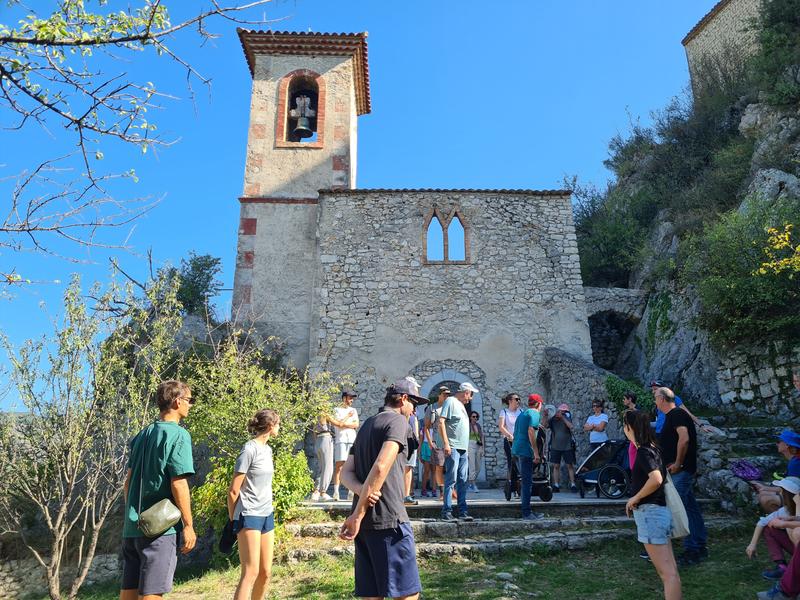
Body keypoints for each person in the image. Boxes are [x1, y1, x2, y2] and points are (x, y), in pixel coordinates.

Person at [339, 378, 424, 600]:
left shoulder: (367, 424)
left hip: (366, 526)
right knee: (407, 594)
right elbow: (381, 465)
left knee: (372, 595)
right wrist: (357, 514)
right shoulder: (397, 422)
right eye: (414, 403)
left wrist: (361, 495)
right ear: (403, 399)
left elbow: (345, 473)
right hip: (389, 520)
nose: (414, 409)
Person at [120, 380, 196, 600]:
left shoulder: (141, 435)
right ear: (177, 401)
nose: (190, 405)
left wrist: (133, 514)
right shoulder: (179, 435)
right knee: (152, 594)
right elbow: (178, 483)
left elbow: (128, 482)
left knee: (129, 594)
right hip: (159, 530)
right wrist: (188, 525)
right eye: (189, 400)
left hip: (132, 528)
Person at [623, 410, 681, 600]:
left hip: (650, 513)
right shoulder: (654, 449)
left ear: (630, 427)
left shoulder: (644, 451)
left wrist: (635, 498)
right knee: (671, 571)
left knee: (667, 575)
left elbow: (656, 479)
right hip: (659, 512)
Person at [228, 409, 280, 600]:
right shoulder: (249, 449)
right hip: (248, 514)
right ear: (270, 426)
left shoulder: (268, 450)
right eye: (278, 424)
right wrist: (234, 520)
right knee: (250, 572)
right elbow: (233, 490)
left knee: (265, 572)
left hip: (267, 513)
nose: (279, 428)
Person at [655, 386, 708, 567]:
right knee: (691, 509)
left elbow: (684, 439)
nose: (655, 402)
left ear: (662, 399)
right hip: (681, 470)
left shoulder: (676, 414)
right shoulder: (673, 416)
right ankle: (699, 545)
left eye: (656, 398)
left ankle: (692, 549)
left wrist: (677, 463)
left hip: (681, 470)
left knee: (682, 510)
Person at [437, 382, 479, 522]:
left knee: (462, 480)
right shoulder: (450, 401)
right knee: (451, 479)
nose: (470, 398)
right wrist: (446, 444)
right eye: (471, 394)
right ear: (466, 392)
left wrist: (466, 449)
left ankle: (463, 511)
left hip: (462, 449)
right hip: (453, 447)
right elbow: (441, 422)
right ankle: (447, 511)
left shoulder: (461, 405)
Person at [746, 477, 800, 581]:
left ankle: (794, 569)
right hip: (796, 547)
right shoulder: (785, 511)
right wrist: (752, 544)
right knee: (769, 528)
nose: (780, 494)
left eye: (782, 491)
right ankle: (782, 566)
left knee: (789, 528)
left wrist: (784, 524)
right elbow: (762, 522)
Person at [311, 408, 357, 502]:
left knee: (321, 467)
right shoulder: (326, 414)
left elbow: (314, 432)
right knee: (328, 467)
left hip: (318, 440)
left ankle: (316, 491)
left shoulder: (316, 417)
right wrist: (348, 416)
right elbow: (339, 424)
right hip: (326, 438)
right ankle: (322, 492)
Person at [511, 393, 545, 521]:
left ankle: (527, 511)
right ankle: (526, 513)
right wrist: (536, 453)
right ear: (538, 404)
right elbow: (531, 431)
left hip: (517, 449)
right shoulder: (534, 413)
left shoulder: (522, 414)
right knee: (527, 483)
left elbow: (516, 431)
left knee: (525, 481)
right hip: (525, 451)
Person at [752, 430, 800, 513]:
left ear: (787, 445)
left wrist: (766, 488)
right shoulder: (795, 460)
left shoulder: (796, 463)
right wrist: (765, 488)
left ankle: (787, 522)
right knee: (764, 492)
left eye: (779, 441)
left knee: (766, 499)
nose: (776, 444)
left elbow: (791, 490)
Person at [332, 389, 360, 502]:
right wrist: (348, 417)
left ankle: (350, 492)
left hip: (351, 439)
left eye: (352, 398)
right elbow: (339, 424)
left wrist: (345, 424)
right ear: (344, 398)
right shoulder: (336, 410)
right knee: (339, 465)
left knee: (352, 464)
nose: (351, 400)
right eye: (350, 398)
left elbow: (356, 424)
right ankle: (336, 491)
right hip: (341, 439)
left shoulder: (354, 410)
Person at [424, 385, 450, 499]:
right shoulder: (432, 408)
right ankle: (442, 492)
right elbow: (426, 427)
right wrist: (430, 443)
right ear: (439, 394)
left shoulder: (450, 407)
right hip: (437, 442)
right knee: (439, 467)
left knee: (450, 467)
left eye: (448, 394)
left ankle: (451, 491)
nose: (446, 396)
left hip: (450, 441)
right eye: (444, 394)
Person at [548, 402, 577, 493]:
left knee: (570, 465)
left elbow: (571, 426)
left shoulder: (567, 418)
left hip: (567, 446)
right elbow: (544, 425)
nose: (563, 413)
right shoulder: (552, 419)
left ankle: (573, 484)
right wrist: (545, 415)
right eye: (562, 411)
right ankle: (556, 485)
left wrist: (563, 418)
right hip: (555, 446)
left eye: (565, 412)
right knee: (556, 466)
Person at [498, 393, 523, 496]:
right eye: (516, 399)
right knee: (512, 463)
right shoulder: (504, 412)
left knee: (521, 463)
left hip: (521, 441)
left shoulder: (521, 412)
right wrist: (509, 435)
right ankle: (512, 487)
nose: (518, 401)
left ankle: (520, 486)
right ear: (510, 401)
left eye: (519, 399)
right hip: (509, 441)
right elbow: (501, 427)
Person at [404, 411, 420, 505]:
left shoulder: (413, 416)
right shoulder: (406, 416)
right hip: (405, 442)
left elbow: (416, 433)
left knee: (409, 468)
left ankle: (406, 495)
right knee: (407, 468)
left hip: (411, 443)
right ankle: (404, 495)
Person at [467, 410, 485, 493]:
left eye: (476, 417)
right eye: (473, 416)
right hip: (470, 445)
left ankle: (470, 483)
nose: (475, 418)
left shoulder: (478, 426)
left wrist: (482, 448)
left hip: (478, 446)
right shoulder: (467, 426)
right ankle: (473, 485)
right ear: (470, 417)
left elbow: (482, 437)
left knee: (478, 467)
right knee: (472, 466)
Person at [623, 391, 640, 472]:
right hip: (629, 440)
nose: (623, 401)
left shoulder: (639, 409)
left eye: (624, 399)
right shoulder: (626, 411)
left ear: (630, 399)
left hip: (637, 439)